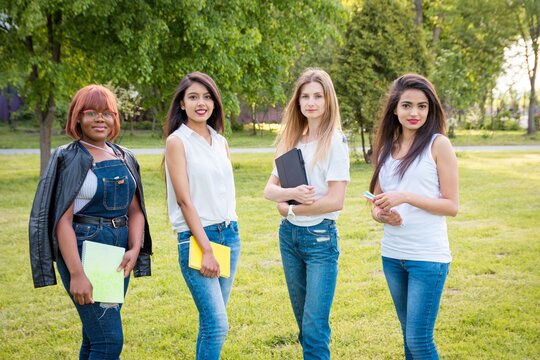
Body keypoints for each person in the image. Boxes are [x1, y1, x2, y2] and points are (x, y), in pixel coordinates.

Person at [29, 84, 153, 359]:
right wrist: (76, 273)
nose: (100, 119)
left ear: (115, 119)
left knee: (94, 338)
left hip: (118, 255)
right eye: (91, 113)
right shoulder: (67, 157)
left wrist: (134, 249)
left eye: (107, 113)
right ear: (77, 118)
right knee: (109, 341)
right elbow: (62, 220)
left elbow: (136, 210)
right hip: (85, 253)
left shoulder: (124, 155)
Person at [368, 73, 459, 359]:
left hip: (428, 258)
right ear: (395, 108)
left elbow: (451, 205)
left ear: (430, 109)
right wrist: (383, 215)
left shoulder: (438, 145)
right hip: (393, 255)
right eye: (407, 105)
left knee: (419, 340)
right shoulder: (385, 149)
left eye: (422, 106)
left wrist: (405, 196)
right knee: (408, 338)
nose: (414, 112)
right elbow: (375, 204)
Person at [263, 68, 350, 359]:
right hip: (289, 237)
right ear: (298, 102)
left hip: (320, 240)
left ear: (328, 101)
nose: (311, 102)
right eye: (305, 97)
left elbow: (336, 200)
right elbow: (269, 191)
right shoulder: (292, 141)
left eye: (317, 96)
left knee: (314, 327)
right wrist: (290, 199)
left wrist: (290, 205)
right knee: (303, 323)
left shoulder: (335, 141)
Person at [164, 72, 240, 360]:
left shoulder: (220, 141)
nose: (201, 103)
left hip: (230, 235)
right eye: (193, 97)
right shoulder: (177, 142)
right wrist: (206, 249)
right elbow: (184, 200)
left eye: (207, 97)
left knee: (211, 323)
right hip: (198, 239)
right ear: (182, 104)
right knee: (218, 325)